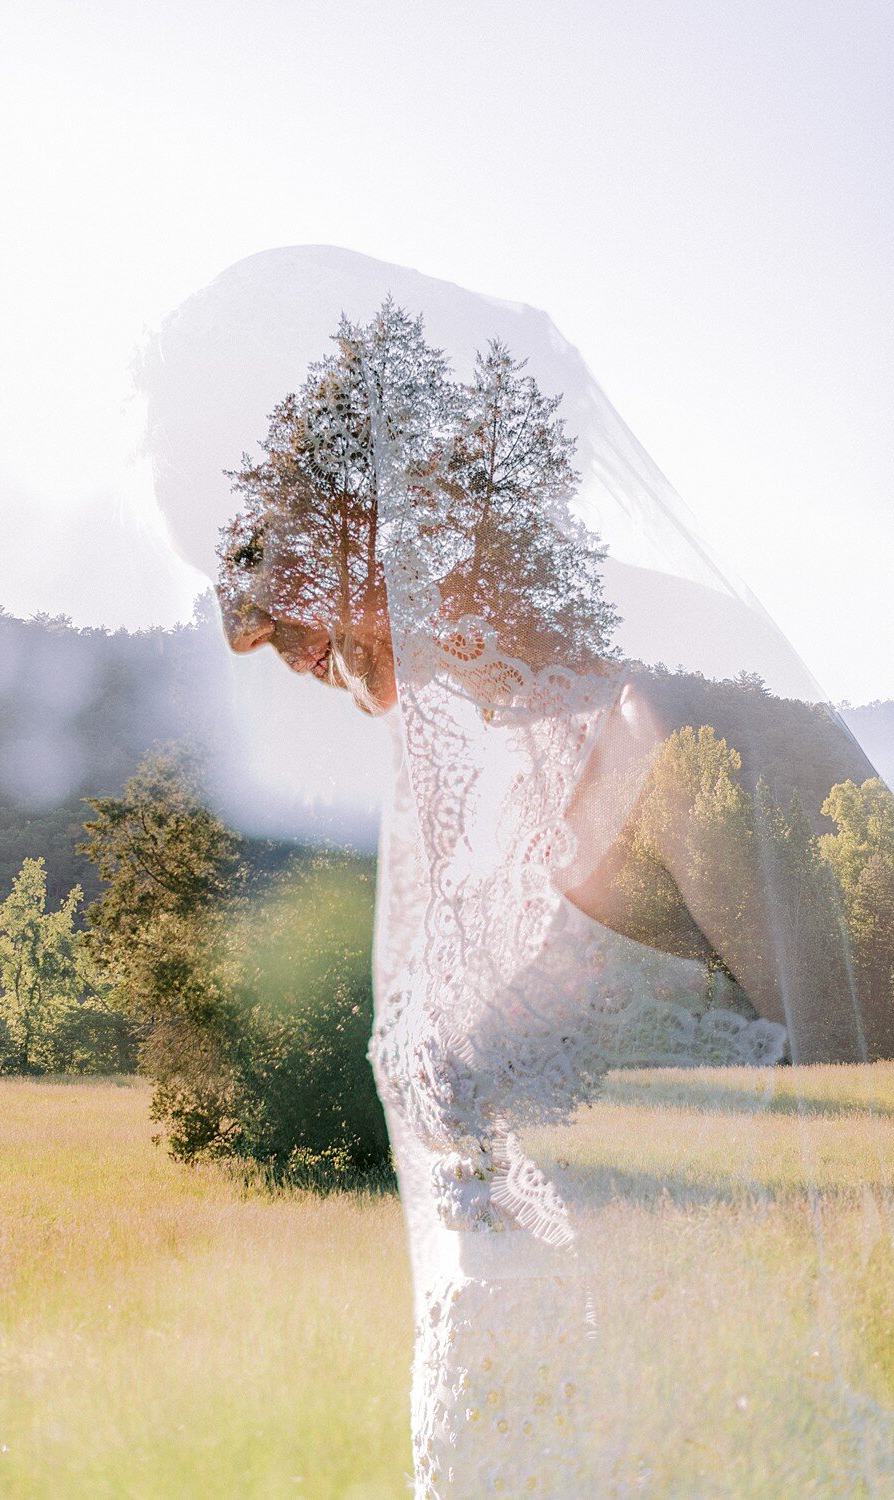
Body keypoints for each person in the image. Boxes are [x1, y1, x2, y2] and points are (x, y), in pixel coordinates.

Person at [138, 246, 891, 1497]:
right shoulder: (479, 772)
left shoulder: (705, 717)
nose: (239, 625)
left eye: (250, 556)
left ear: (385, 482)